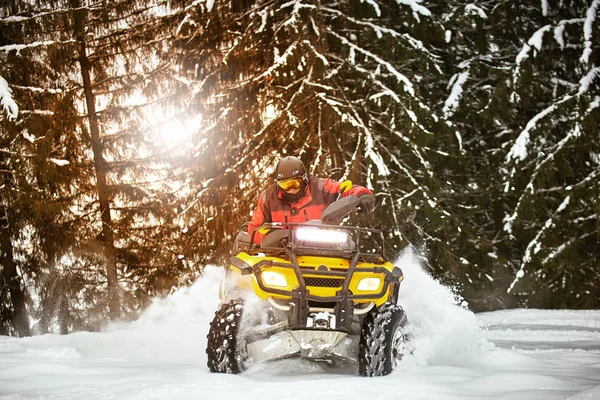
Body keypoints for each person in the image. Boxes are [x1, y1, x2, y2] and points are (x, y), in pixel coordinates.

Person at [248, 156, 375, 245]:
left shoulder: (321, 187)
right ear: (277, 183)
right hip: (283, 253)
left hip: (324, 247)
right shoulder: (268, 198)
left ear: (304, 178)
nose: (290, 188)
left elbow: (345, 188)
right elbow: (254, 229)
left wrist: (361, 195)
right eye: (285, 184)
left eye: (295, 183)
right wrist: (271, 236)